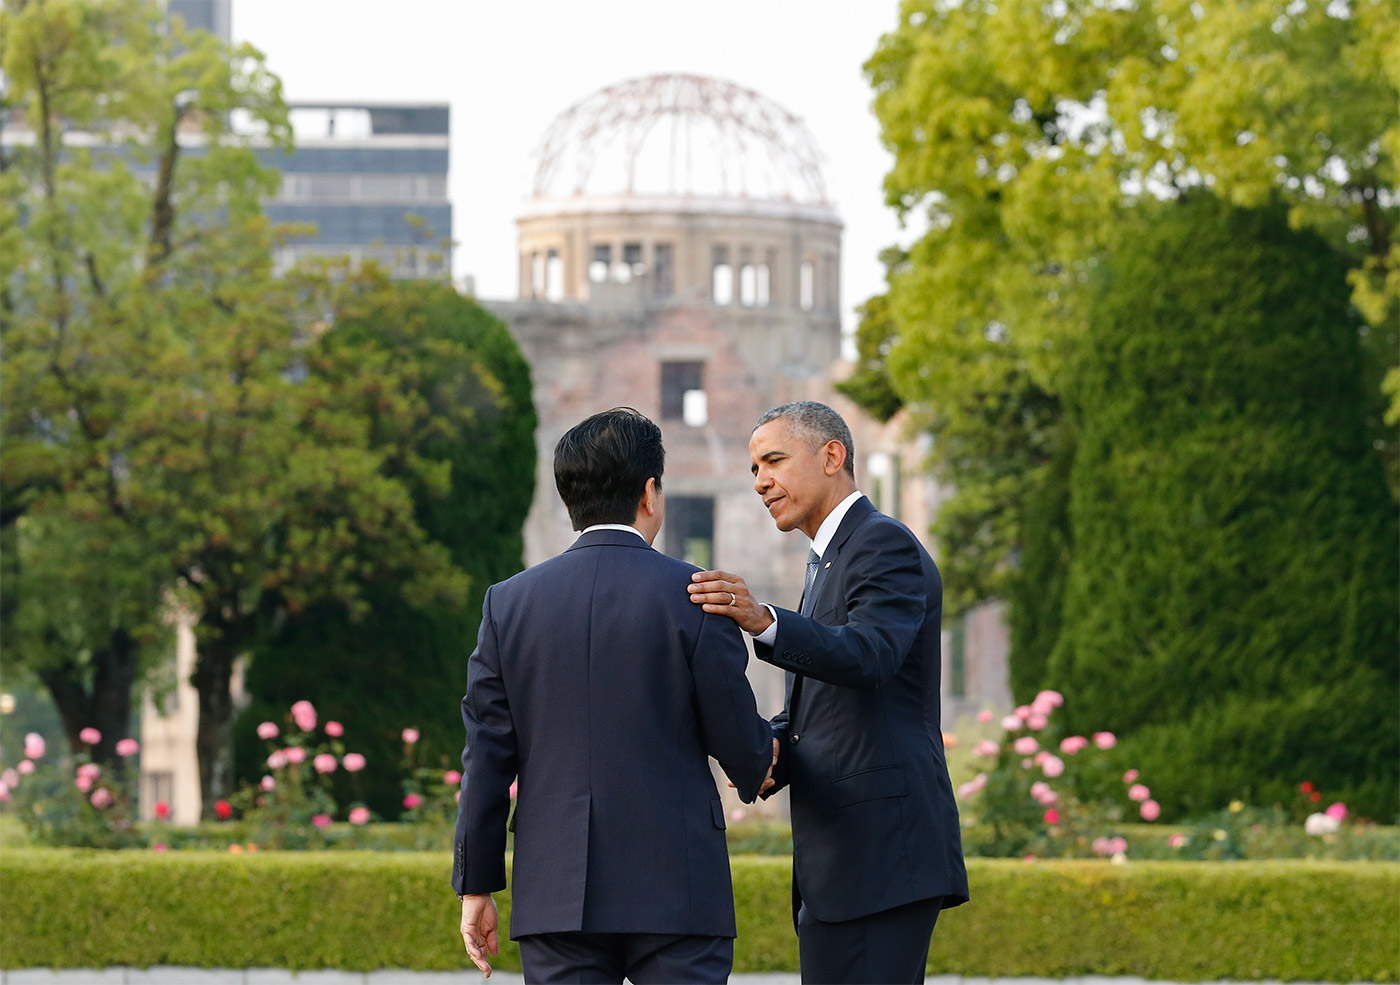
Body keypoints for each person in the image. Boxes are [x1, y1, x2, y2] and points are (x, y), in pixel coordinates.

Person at [452, 407, 778, 984]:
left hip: (556, 891)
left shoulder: (509, 604)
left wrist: (476, 884)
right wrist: (760, 763)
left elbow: (486, 758)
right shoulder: (701, 596)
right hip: (679, 886)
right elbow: (739, 741)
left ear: (568, 496)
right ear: (650, 492)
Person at [688, 401, 969, 985]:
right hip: (847, 860)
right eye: (753, 469)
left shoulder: (882, 544)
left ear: (832, 456)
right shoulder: (826, 563)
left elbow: (871, 656)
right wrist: (760, 751)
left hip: (882, 855)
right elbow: (822, 714)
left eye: (774, 460)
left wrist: (764, 620)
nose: (761, 481)